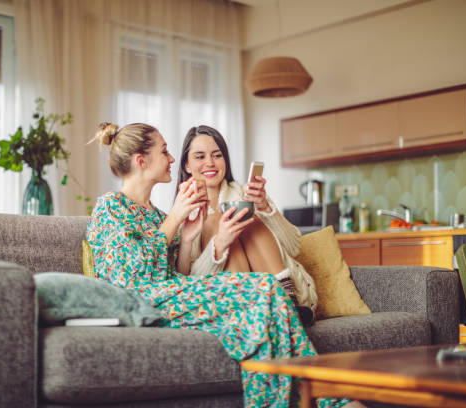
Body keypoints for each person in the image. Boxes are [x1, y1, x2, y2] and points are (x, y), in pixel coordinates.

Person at [86, 121, 356, 408]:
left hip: (172, 294)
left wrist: (188, 240)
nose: (172, 158)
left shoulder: (155, 214)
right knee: (263, 290)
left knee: (267, 289)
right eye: (164, 151)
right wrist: (176, 219)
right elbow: (133, 275)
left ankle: (328, 398)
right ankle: (332, 400)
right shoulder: (110, 206)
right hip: (141, 302)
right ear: (141, 161)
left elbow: (177, 274)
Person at [176, 125, 316, 324]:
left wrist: (266, 208)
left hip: (282, 292)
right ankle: (253, 306)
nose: (210, 163)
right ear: (187, 165)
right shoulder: (181, 215)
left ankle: (287, 304)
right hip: (231, 300)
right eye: (199, 157)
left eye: (217, 155)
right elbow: (187, 283)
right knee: (221, 221)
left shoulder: (247, 195)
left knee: (241, 214)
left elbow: (295, 247)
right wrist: (219, 245)